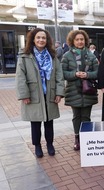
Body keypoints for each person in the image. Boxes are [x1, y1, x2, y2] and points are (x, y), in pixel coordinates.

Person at [15, 28, 65, 158]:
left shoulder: (53, 56)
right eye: (38, 37)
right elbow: (20, 77)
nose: (41, 40)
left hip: (50, 93)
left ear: (47, 40)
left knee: (49, 122)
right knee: (35, 123)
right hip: (33, 95)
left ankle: (50, 144)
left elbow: (59, 75)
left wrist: (59, 92)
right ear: (33, 39)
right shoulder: (25, 55)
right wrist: (24, 95)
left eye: (43, 38)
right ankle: (37, 146)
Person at [61, 30, 99, 151]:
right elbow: (62, 73)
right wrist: (75, 74)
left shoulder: (91, 55)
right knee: (76, 116)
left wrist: (87, 75)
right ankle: (77, 139)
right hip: (73, 91)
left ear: (85, 41)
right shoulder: (66, 55)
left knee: (86, 116)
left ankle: (86, 138)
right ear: (72, 41)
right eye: (77, 39)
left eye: (82, 39)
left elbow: (98, 73)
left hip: (88, 91)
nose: (80, 41)